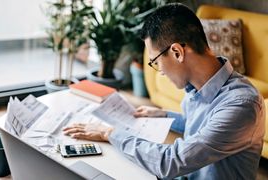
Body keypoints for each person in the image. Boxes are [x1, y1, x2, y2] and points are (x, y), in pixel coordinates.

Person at [63, 3, 265, 179]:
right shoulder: (200, 87)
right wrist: (163, 115)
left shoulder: (241, 105)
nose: (159, 71)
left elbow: (171, 162)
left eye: (156, 61)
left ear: (177, 52)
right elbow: (203, 125)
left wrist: (109, 133)